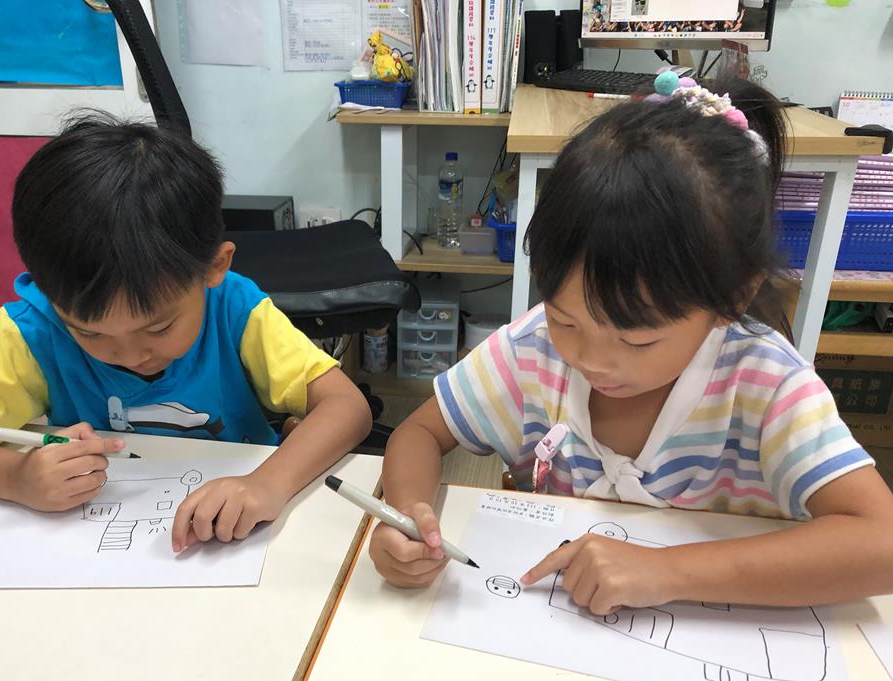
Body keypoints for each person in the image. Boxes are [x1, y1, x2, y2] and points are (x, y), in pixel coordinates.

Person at [370, 75, 893, 613]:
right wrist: (408, 514)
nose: (592, 360)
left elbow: (882, 546)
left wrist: (669, 571)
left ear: (733, 298)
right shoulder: (533, 349)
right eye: (567, 320)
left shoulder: (766, 384)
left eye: (637, 341)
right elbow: (420, 432)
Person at [0, 114, 372, 550]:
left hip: (238, 532)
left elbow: (347, 406)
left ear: (214, 267)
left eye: (158, 327)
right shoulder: (35, 331)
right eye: (90, 334)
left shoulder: (234, 308)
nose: (131, 354)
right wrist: (13, 477)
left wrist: (268, 483)